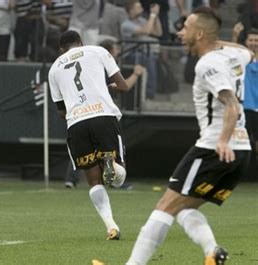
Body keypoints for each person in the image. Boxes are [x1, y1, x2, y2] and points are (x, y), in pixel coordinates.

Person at [121, 7, 253, 265]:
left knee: (165, 206)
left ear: (200, 34)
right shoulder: (235, 54)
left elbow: (231, 104)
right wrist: (216, 41)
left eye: (187, 28)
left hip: (213, 148)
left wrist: (223, 140)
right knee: (183, 209)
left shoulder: (208, 64)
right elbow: (249, 52)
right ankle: (212, 252)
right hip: (242, 151)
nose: (180, 33)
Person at [48, 30, 129, 240]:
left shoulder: (54, 68)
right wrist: (106, 87)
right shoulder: (97, 51)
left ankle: (111, 226)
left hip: (77, 124)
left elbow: (61, 111)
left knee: (93, 181)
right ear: (81, 42)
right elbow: (123, 86)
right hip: (103, 116)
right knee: (119, 179)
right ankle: (110, 163)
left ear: (61, 49)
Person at [242, 29, 258, 178]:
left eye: (256, 40)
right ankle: (241, 172)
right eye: (251, 40)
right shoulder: (241, 59)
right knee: (242, 141)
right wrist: (235, 35)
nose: (253, 43)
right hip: (245, 106)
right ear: (246, 42)